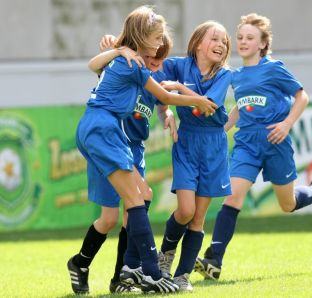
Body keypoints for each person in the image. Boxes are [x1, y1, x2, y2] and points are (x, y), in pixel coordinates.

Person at [67, 6, 217, 295]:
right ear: (142, 36)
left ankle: (119, 272)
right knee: (135, 201)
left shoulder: (133, 62)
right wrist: (198, 101)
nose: (159, 43)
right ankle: (148, 273)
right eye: (157, 37)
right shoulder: (133, 63)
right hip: (103, 129)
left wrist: (169, 112)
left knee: (138, 199)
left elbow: (160, 100)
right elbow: (163, 95)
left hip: (102, 130)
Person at [194, 13, 312, 281]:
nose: (243, 42)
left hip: (275, 140)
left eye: (250, 38)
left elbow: (301, 96)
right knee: (233, 197)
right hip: (247, 142)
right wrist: (222, 128)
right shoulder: (235, 76)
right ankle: (214, 259)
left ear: (262, 44)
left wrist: (287, 124)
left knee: (287, 203)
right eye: (240, 37)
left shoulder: (274, 68)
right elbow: (240, 105)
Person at [99, 20, 232, 292]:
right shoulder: (179, 66)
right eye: (214, 39)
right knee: (185, 210)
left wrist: (180, 91)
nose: (220, 44)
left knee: (198, 217)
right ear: (197, 44)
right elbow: (150, 65)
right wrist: (118, 47)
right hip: (186, 142)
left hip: (213, 147)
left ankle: (182, 275)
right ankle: (165, 257)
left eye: (224, 41)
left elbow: (209, 107)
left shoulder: (225, 74)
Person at [88, 33, 177, 293]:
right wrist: (114, 49)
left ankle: (124, 276)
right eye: (148, 56)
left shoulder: (151, 76)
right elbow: (97, 66)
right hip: (112, 144)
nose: (151, 62)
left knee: (134, 208)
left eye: (157, 60)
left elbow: (163, 101)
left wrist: (167, 112)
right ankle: (84, 263)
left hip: (134, 149)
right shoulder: (128, 65)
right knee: (109, 217)